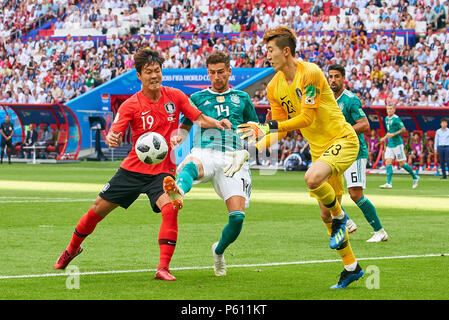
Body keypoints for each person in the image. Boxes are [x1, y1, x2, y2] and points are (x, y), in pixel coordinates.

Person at [53, 49, 231, 281]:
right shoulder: (130, 105)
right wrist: (111, 138)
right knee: (96, 210)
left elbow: (198, 117)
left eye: (157, 71)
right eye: (149, 72)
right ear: (139, 75)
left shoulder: (175, 96)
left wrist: (217, 123)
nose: (154, 76)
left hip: (162, 171)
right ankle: (71, 249)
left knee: (172, 207)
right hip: (132, 171)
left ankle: (163, 268)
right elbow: (113, 133)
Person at [237, 26, 363, 289]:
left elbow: (306, 118)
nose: (267, 56)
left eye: (270, 51)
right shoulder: (274, 87)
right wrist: (248, 152)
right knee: (325, 216)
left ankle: (342, 217)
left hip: (342, 140)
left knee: (312, 178)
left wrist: (268, 127)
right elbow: (280, 129)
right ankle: (351, 267)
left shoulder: (312, 73)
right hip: (320, 151)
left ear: (285, 51)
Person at [163, 51, 258, 277]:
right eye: (212, 73)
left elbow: (254, 127)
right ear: (208, 73)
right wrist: (178, 137)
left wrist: (253, 140)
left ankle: (219, 250)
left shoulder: (242, 98)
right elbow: (185, 127)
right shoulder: (197, 98)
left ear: (229, 72)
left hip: (233, 158)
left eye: (220, 72)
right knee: (192, 164)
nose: (216, 77)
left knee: (237, 219)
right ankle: (179, 191)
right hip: (205, 150)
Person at [328, 64, 388, 243]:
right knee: (324, 188)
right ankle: (346, 221)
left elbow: (365, 124)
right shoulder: (329, 100)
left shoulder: (351, 100)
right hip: (338, 152)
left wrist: (343, 133)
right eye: (330, 76)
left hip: (354, 151)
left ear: (343, 78)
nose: (333, 80)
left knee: (355, 194)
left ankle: (380, 231)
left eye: (337, 76)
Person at [379, 105, 419, 189]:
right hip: (390, 144)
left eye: (390, 109)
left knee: (402, 163)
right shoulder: (386, 119)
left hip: (397, 144)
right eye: (388, 109)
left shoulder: (396, 119)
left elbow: (403, 129)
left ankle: (415, 177)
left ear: (394, 110)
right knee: (388, 161)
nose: (389, 110)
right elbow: (389, 131)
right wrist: (385, 138)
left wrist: (393, 134)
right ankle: (388, 183)